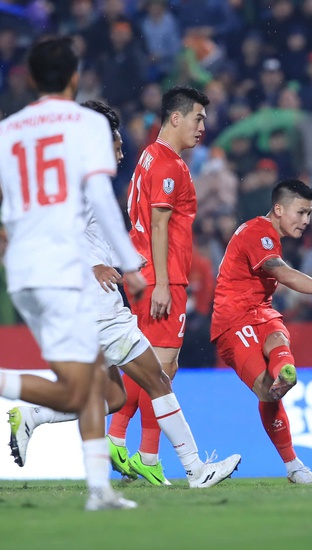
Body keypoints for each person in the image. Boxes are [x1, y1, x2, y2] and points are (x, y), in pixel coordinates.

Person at [7, 100, 240, 488]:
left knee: (113, 398)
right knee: (158, 380)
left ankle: (32, 415)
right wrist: (94, 266)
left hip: (87, 300)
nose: (120, 150)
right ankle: (195, 469)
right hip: (96, 301)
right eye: (114, 140)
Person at [0, 37, 144, 510]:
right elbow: (101, 198)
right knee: (80, 388)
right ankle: (98, 489)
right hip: (64, 269)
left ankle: (99, 489)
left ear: (27, 78)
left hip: (23, 273)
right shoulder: (85, 125)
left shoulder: (8, 130)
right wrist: (131, 264)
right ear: (74, 77)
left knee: (94, 385)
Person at [211, 179, 312, 484]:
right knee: (268, 394)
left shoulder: (268, 234)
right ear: (278, 209)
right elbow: (285, 274)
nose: (306, 221)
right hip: (233, 322)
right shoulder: (259, 232)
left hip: (261, 312)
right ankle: (292, 463)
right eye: (301, 212)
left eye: (309, 214)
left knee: (278, 337)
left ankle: (286, 374)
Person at [107, 85, 209, 485]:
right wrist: (164, 283)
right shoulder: (168, 164)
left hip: (144, 272)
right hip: (162, 276)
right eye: (198, 118)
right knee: (160, 372)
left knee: (156, 366)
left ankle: (129, 444)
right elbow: (160, 223)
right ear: (176, 117)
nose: (203, 127)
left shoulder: (149, 156)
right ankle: (137, 449)